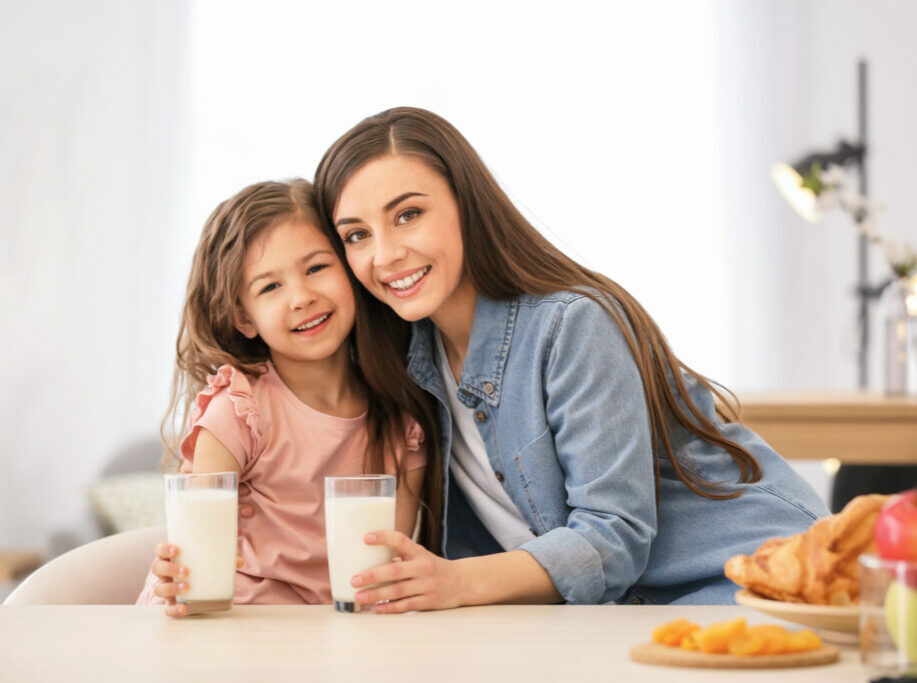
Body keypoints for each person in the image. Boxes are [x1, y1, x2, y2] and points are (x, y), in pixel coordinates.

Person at [311, 107, 830, 611]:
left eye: (409, 215)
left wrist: (455, 582)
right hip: (621, 612)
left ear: (466, 205)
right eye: (357, 235)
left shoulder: (572, 326)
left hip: (756, 582)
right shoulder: (406, 359)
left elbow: (613, 537)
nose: (384, 255)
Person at [137, 179, 440, 616]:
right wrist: (178, 578)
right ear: (243, 318)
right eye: (270, 287)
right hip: (231, 623)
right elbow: (196, 570)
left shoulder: (401, 424)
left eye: (317, 268)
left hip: (331, 639)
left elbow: (384, 581)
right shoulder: (239, 412)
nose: (302, 297)